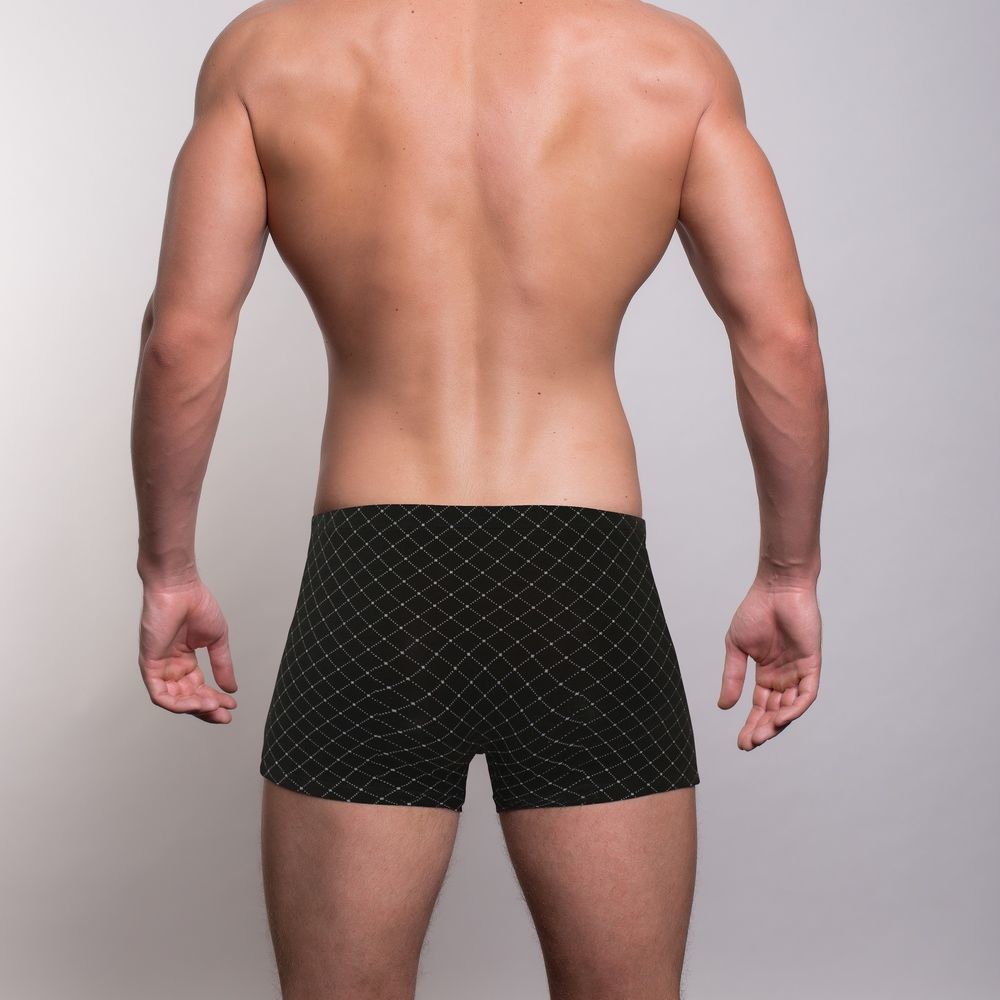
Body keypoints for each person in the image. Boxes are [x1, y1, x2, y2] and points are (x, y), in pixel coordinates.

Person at [130, 1, 828, 997]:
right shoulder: (668, 61)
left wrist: (168, 568)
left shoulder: (269, 53)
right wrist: (789, 571)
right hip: (581, 584)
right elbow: (781, 336)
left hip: (376, 582)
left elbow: (182, 339)